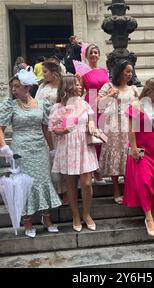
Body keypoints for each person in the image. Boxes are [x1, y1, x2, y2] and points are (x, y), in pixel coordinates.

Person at [0, 68, 62, 238]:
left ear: (28, 87)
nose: (13, 90)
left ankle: (46, 218)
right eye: (12, 87)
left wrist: (52, 148)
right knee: (24, 184)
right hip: (20, 149)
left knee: (43, 181)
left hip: (40, 148)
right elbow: (0, 128)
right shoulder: (10, 105)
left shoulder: (42, 104)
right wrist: (4, 147)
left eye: (17, 86)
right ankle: (26, 221)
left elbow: (46, 128)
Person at [49, 75, 99, 232]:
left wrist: (91, 125)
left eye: (80, 85)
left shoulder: (84, 104)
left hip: (84, 146)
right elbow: (53, 129)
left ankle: (86, 213)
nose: (80, 87)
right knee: (70, 184)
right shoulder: (57, 108)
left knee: (86, 183)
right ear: (68, 87)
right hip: (67, 146)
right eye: (77, 85)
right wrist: (63, 129)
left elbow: (91, 119)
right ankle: (75, 215)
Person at [124, 78, 154, 238]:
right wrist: (133, 148)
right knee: (144, 181)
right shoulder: (136, 105)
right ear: (149, 90)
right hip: (141, 149)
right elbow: (130, 130)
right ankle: (149, 217)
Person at [97, 60, 139, 204]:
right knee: (115, 156)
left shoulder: (134, 89)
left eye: (131, 71)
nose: (130, 74)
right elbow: (98, 105)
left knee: (129, 157)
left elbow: (140, 107)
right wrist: (110, 96)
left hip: (131, 126)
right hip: (113, 126)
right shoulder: (108, 86)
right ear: (120, 71)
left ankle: (129, 188)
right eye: (127, 71)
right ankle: (116, 189)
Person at [79, 44, 110, 183]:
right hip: (90, 102)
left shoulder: (104, 70)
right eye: (91, 53)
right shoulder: (82, 71)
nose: (94, 55)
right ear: (87, 55)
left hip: (104, 104)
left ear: (99, 55)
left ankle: (100, 168)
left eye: (96, 52)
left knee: (103, 136)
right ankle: (93, 170)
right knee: (92, 137)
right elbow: (79, 92)